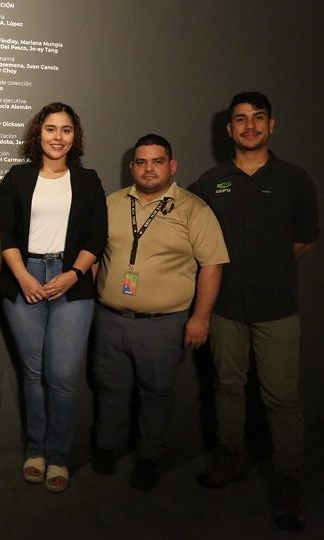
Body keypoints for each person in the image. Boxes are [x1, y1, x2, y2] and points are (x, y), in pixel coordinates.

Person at [191, 92, 318, 530]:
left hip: (277, 306)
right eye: (240, 119)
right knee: (227, 385)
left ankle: (288, 481)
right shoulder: (209, 182)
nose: (249, 126)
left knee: (282, 398)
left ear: (271, 125)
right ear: (228, 129)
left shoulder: (295, 179)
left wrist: (269, 269)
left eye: (257, 118)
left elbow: (303, 239)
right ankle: (232, 456)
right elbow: (193, 241)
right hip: (223, 305)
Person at [92, 134, 228, 490]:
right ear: (131, 166)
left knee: (156, 393)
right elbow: (94, 251)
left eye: (157, 161)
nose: (148, 168)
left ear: (172, 165)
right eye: (141, 162)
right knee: (110, 388)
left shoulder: (193, 209)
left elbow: (212, 265)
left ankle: (150, 459)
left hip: (163, 324)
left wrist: (200, 317)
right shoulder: (112, 203)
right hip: (110, 318)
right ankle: (108, 448)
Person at [0, 102, 107, 492]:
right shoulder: (18, 177)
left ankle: (58, 457)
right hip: (22, 276)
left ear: (74, 137)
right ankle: (36, 452)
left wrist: (73, 275)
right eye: (50, 129)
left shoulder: (89, 180)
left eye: (65, 130)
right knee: (33, 373)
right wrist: (24, 276)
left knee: (61, 377)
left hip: (71, 282)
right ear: (37, 134)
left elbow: (97, 237)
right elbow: (4, 232)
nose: (57, 137)